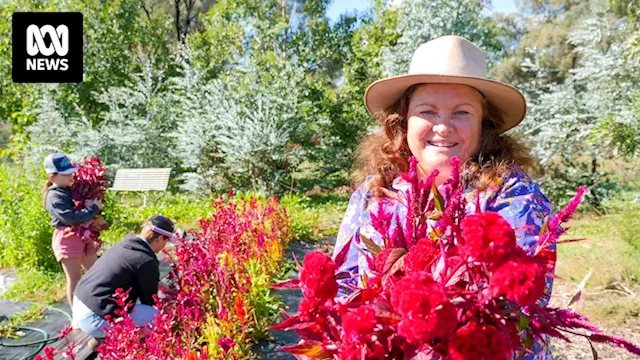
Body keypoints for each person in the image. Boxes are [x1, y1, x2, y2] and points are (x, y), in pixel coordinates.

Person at [332, 36, 554, 359]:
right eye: (427, 111)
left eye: (461, 113)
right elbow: (343, 288)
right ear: (404, 119)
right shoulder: (374, 193)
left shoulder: (514, 196)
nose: (442, 127)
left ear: (484, 125)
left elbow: (523, 300)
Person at [72, 216, 176, 348]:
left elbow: (133, 272)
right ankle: (131, 345)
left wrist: (160, 284)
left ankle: (100, 339)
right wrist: (170, 305)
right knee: (155, 317)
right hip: (95, 317)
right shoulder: (146, 259)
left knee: (127, 308)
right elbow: (149, 300)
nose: (164, 246)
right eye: (166, 241)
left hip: (80, 304)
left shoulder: (126, 244)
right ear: (159, 238)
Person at [43, 153, 102, 308]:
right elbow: (70, 218)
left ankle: (95, 308)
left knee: (97, 273)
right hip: (67, 238)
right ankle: (76, 316)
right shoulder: (54, 196)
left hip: (82, 235)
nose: (71, 176)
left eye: (71, 172)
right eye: (66, 174)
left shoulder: (71, 190)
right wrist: (93, 209)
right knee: (74, 280)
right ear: (52, 177)